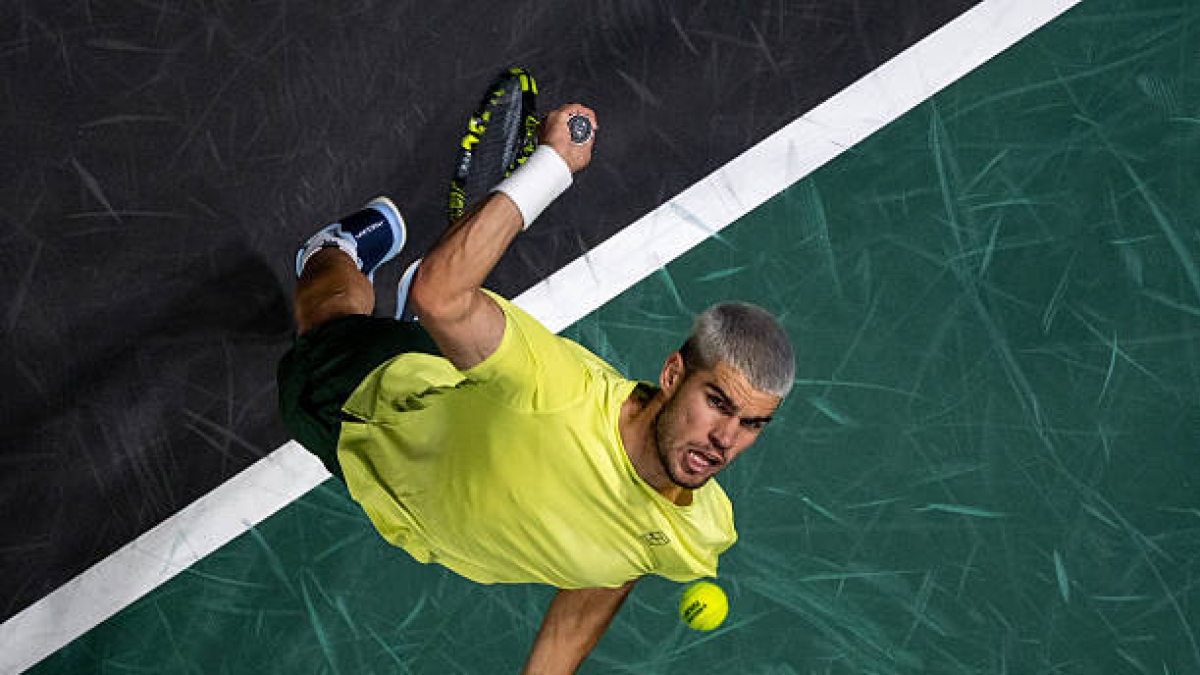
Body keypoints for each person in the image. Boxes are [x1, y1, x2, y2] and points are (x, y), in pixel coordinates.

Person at [277, 101, 795, 674]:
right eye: (717, 403)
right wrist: (554, 165)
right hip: (371, 410)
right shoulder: (562, 391)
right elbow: (440, 293)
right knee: (323, 319)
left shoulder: (700, 529)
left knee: (436, 329)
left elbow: (613, 569)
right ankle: (335, 250)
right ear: (673, 375)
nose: (726, 438)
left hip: (412, 502)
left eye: (751, 424)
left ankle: (431, 337)